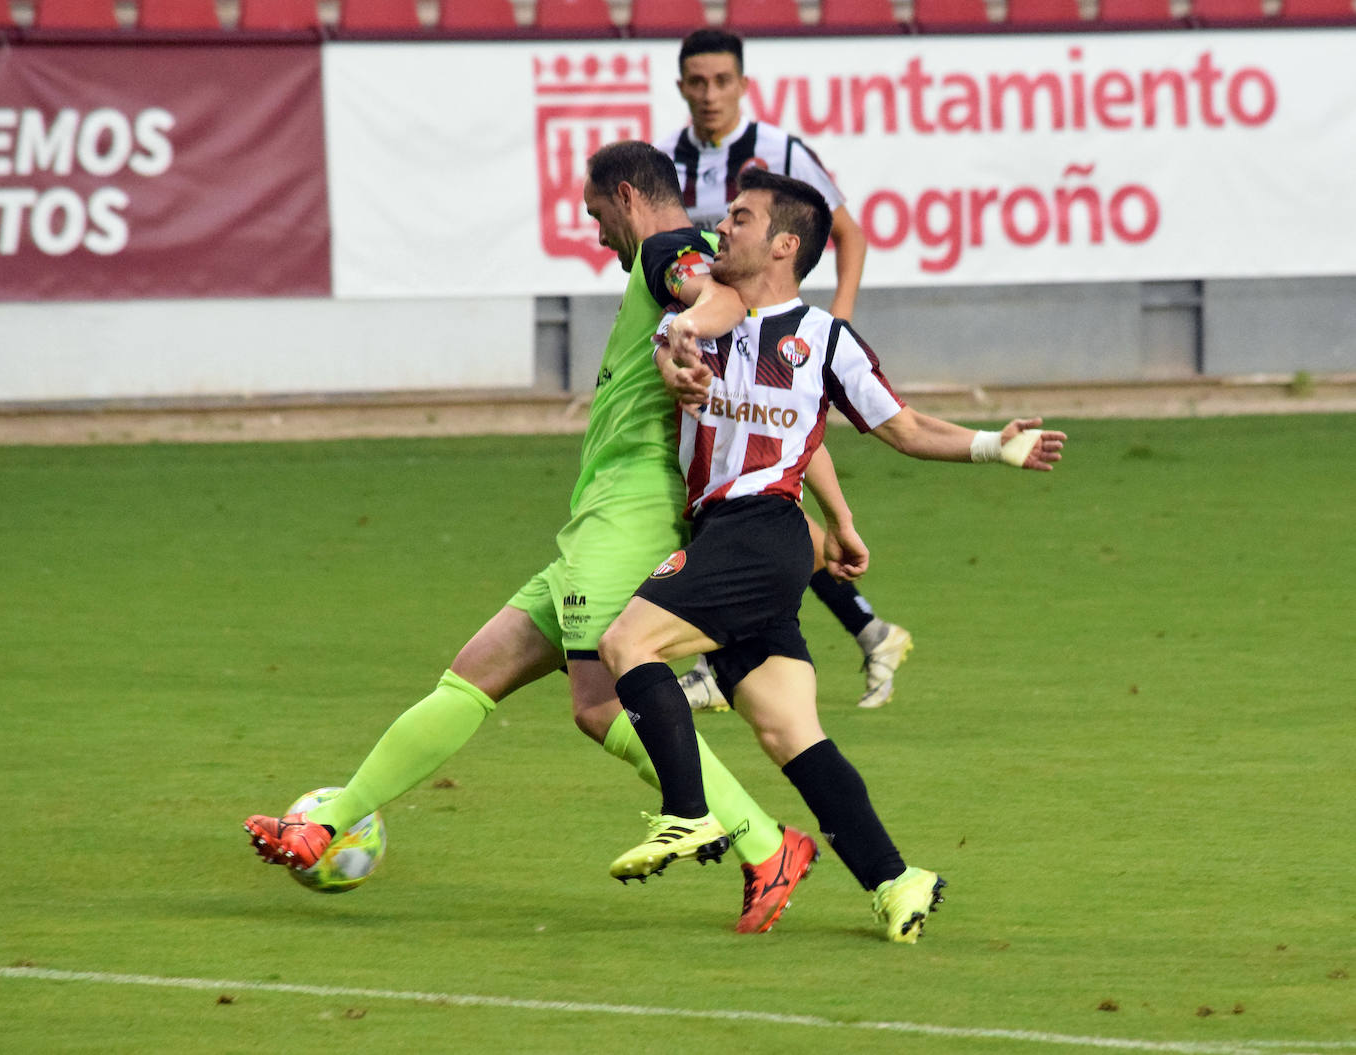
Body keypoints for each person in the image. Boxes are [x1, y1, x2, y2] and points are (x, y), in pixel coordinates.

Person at [244, 141, 818, 936]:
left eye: (595, 216)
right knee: (472, 674)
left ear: (626, 196)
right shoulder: (665, 265)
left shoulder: (668, 251)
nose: (596, 233)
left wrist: (684, 325)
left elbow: (710, 287)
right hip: (597, 522)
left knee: (598, 703)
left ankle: (765, 841)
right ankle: (327, 820)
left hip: (630, 516)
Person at [597, 168, 1067, 942]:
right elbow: (699, 374)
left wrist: (992, 445)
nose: (722, 230)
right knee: (790, 731)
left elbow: (904, 428)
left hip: (760, 533)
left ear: (784, 244)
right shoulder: (702, 314)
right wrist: (677, 357)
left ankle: (687, 812)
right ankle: (895, 880)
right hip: (734, 539)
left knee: (626, 642)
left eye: (740, 219)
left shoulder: (824, 341)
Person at [657, 27, 911, 712]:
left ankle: (714, 656)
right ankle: (868, 628)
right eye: (697, 82)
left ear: (743, 85)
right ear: (681, 86)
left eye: (722, 81)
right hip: (707, 346)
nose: (710, 95)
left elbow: (848, 233)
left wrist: (836, 325)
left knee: (756, 488)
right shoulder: (669, 162)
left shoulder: (782, 153)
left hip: (775, 341)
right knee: (764, 493)